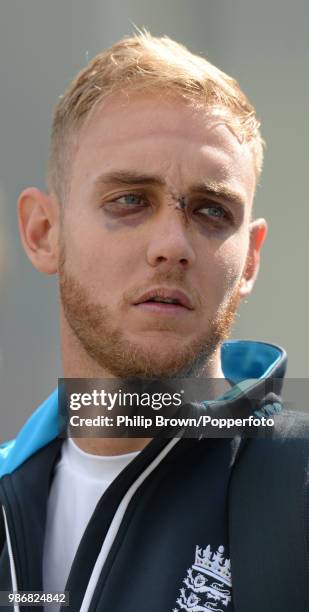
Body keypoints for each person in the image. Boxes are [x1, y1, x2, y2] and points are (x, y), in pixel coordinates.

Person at [0, 31, 308, 612]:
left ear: (252, 259)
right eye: (130, 200)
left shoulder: (298, 486)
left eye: (211, 210)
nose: (172, 244)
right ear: (44, 233)